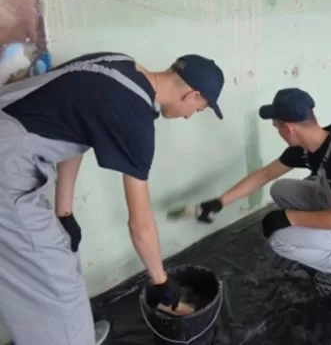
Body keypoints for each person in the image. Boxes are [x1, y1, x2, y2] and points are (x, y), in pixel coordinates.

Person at [0, 51, 225, 344]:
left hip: (10, 145)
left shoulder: (120, 64)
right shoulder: (135, 119)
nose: (189, 116)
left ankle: (72, 333)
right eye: (199, 108)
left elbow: (74, 129)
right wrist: (161, 282)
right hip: (7, 167)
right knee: (53, 282)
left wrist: (65, 212)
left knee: (58, 258)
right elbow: (140, 225)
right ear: (192, 95)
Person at [194, 88, 331, 290]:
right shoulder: (310, 145)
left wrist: (289, 218)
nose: (277, 132)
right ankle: (321, 242)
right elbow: (264, 175)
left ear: (289, 128)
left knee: (280, 240)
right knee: (280, 189)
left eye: (276, 127)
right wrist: (220, 202)